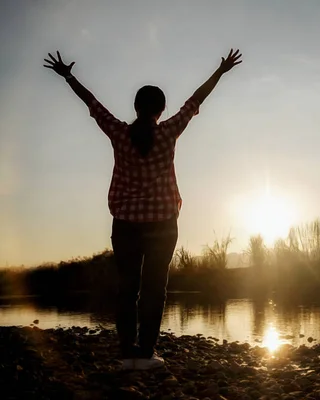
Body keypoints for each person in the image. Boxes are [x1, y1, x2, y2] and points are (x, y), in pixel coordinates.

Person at [43, 49, 242, 370]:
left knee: (128, 288)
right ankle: (147, 353)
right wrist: (221, 71)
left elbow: (92, 105)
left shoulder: (120, 133)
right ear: (161, 110)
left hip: (125, 223)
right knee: (155, 288)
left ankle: (126, 352)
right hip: (163, 223)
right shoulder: (168, 132)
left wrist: (68, 76)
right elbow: (194, 101)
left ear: (136, 107)